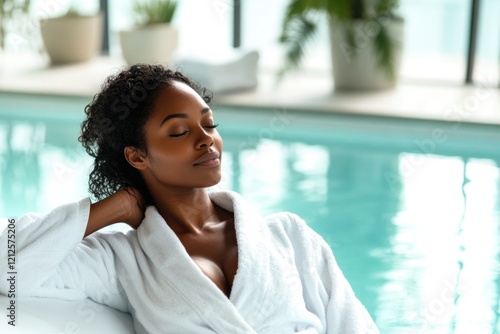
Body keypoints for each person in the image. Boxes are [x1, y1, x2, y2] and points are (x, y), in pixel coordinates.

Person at [0, 64, 378, 333]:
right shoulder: (123, 260)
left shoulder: (289, 236)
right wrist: (115, 207)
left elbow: (354, 324)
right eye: (179, 131)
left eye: (209, 123)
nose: (206, 139)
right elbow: (11, 265)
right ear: (138, 156)